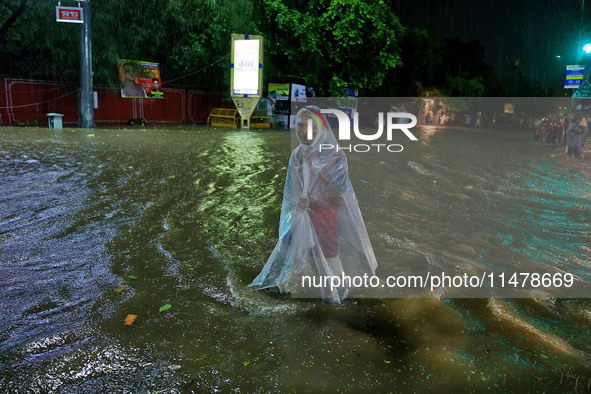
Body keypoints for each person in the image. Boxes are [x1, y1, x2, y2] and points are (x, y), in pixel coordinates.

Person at [249, 105, 378, 303]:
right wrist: (299, 204)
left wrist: (315, 168)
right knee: (290, 244)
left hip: (325, 213)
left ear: (321, 129)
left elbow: (339, 199)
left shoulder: (336, 157)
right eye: (299, 126)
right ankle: (286, 283)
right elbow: (291, 191)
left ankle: (338, 286)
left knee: (328, 252)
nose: (303, 131)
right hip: (303, 211)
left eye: (310, 127)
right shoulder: (297, 155)